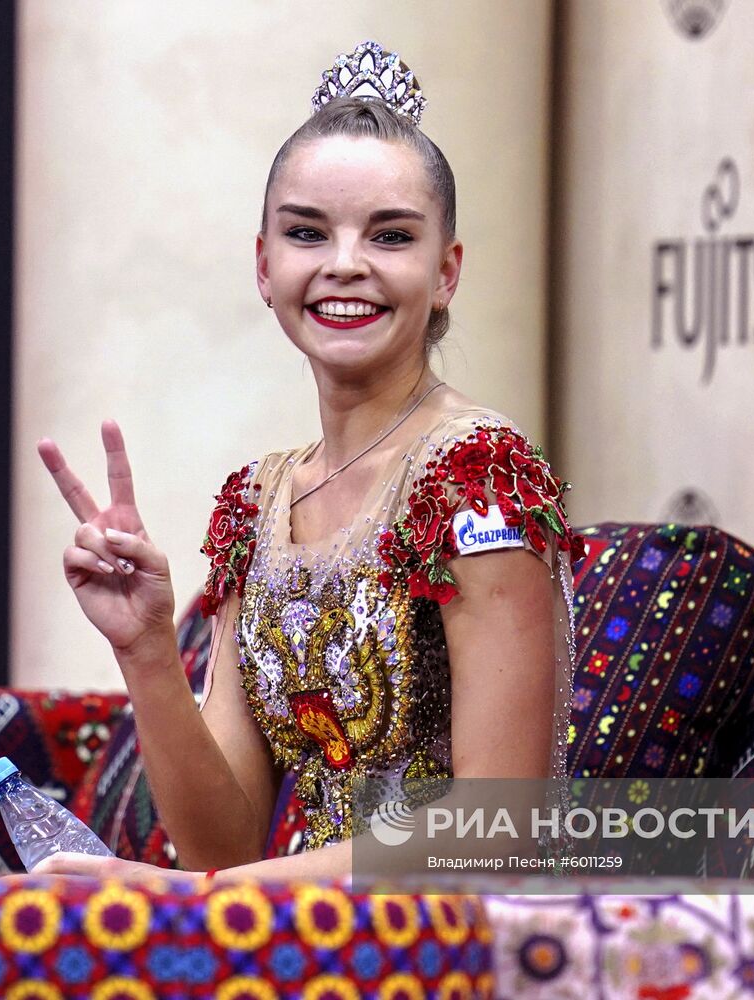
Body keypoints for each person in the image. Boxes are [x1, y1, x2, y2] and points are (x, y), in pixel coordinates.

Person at [34, 41, 583, 886]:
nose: (344, 264)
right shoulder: (256, 501)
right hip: (298, 938)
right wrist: (145, 649)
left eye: (390, 235)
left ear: (445, 272)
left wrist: (208, 901)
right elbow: (222, 841)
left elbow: (495, 833)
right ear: (264, 265)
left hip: (450, 949)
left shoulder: (478, 477)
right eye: (306, 232)